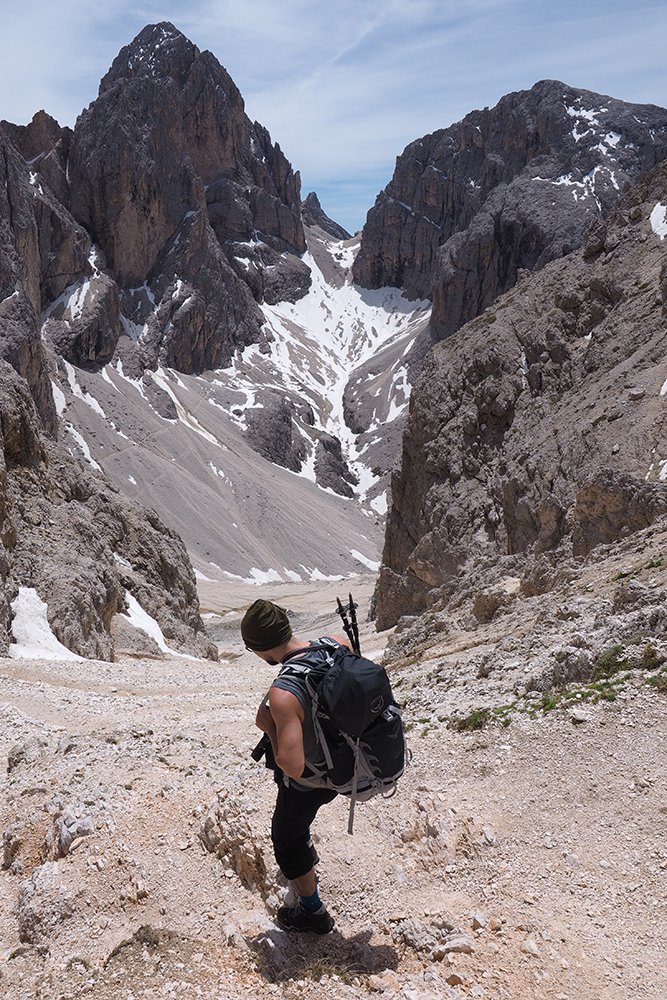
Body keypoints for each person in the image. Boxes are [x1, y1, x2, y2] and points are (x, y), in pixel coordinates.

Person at [242, 598, 352, 934]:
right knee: (297, 826)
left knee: (286, 837)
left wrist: (270, 727)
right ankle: (306, 854)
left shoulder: (282, 694)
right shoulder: (337, 642)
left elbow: (291, 766)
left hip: (315, 779)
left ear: (261, 648)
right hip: (351, 756)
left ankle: (313, 913)